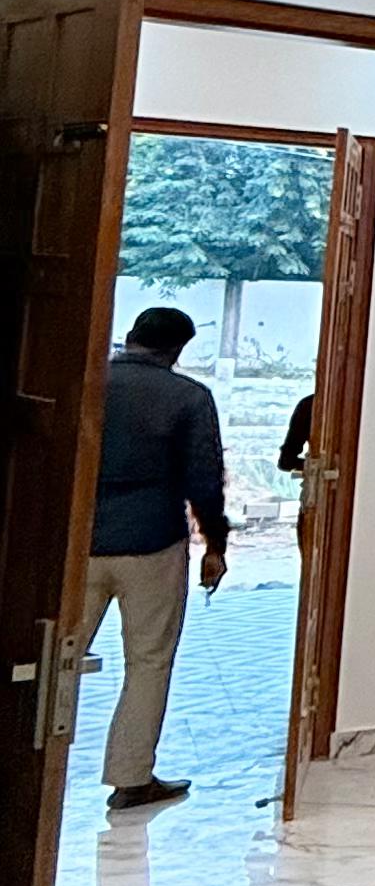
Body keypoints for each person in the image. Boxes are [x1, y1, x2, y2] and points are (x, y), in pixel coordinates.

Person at [84, 304, 229, 812]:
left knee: (53, 658)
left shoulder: (87, 382)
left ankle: (23, 768)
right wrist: (215, 544)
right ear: (178, 349)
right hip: (154, 542)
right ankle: (130, 779)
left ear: (131, 335)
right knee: (148, 662)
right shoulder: (189, 397)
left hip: (79, 544)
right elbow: (203, 481)